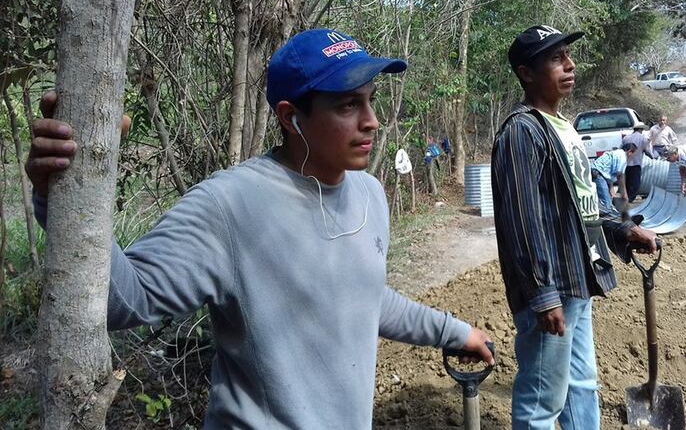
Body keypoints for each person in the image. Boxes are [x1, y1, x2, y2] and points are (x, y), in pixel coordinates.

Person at [26, 29, 494, 429]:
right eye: (348, 105)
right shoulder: (229, 206)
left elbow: (363, 295)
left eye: (370, 100)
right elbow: (127, 302)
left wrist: (453, 331)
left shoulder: (370, 193)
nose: (371, 121)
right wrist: (63, 196)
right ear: (291, 117)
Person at [491, 24, 657, 430]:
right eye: (555, 58)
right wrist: (543, 294)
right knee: (541, 400)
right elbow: (522, 220)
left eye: (567, 54)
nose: (569, 64)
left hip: (579, 279)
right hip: (552, 287)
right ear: (526, 73)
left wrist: (621, 231)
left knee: (582, 384)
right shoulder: (522, 132)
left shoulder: (563, 127)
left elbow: (581, 205)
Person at [591, 143, 638, 216]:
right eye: (633, 154)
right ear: (629, 152)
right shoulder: (622, 157)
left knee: (607, 201)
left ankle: (607, 213)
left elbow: (608, 176)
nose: (633, 157)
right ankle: (607, 220)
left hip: (596, 171)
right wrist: (624, 195)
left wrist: (613, 193)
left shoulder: (616, 153)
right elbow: (620, 177)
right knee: (607, 205)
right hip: (598, 173)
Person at [621, 122, 653, 202]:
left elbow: (621, 149)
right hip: (636, 163)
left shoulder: (626, 138)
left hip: (626, 163)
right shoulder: (643, 138)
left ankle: (626, 196)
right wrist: (652, 157)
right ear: (640, 129)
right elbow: (647, 151)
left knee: (627, 181)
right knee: (635, 182)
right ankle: (631, 198)